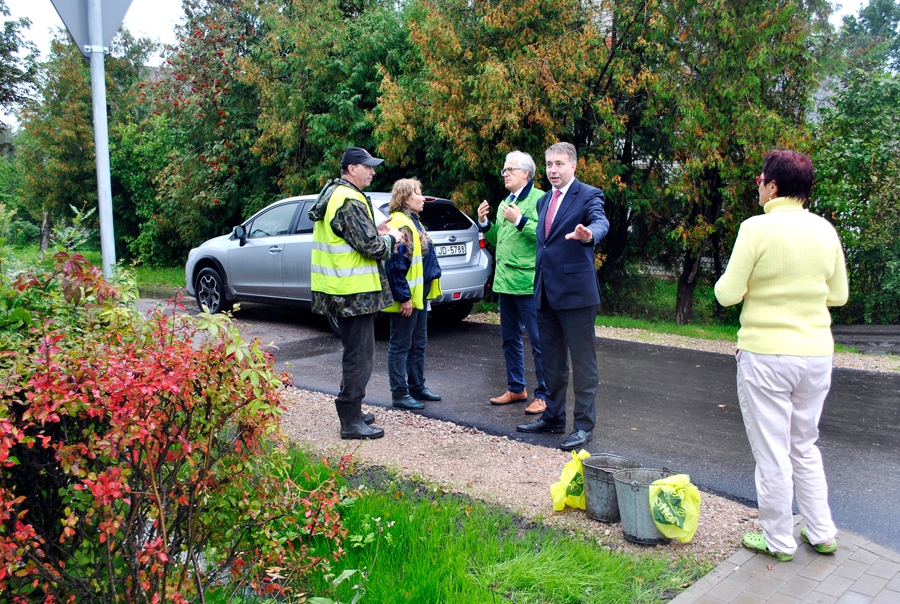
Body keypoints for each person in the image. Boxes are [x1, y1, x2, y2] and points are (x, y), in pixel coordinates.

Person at [715, 149, 848, 562]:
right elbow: (839, 296)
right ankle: (822, 531)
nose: (758, 185)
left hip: (767, 355)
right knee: (804, 445)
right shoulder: (825, 230)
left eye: (760, 180)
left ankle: (778, 540)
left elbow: (725, 294)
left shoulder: (756, 229)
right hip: (816, 356)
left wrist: (756, 288)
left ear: (772, 186)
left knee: (772, 451)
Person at [516, 142, 609, 451]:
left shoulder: (588, 194)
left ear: (573, 166)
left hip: (577, 295)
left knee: (583, 363)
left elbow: (600, 221)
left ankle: (583, 427)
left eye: (558, 164)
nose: (552, 170)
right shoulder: (543, 201)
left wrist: (590, 233)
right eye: (548, 164)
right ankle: (553, 418)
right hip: (545, 293)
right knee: (552, 362)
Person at [310, 146, 403, 440]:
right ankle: (350, 420)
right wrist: (391, 238)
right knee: (360, 357)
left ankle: (353, 409)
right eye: (368, 167)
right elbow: (373, 248)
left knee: (356, 354)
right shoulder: (348, 200)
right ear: (352, 169)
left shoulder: (336, 194)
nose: (373, 172)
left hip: (340, 291)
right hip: (353, 294)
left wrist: (373, 227)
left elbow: (349, 235)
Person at [477, 151, 549, 415]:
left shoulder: (540, 198)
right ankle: (517, 388)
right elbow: (499, 240)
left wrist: (520, 220)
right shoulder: (505, 202)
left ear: (525, 174)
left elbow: (544, 236)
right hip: (505, 282)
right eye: (504, 170)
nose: (505, 174)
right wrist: (485, 223)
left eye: (510, 170)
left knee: (539, 341)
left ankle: (545, 394)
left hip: (529, 283)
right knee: (509, 339)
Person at [384, 178, 443, 410]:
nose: (423, 197)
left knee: (418, 343)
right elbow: (396, 266)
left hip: (419, 296)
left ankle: (417, 386)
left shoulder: (413, 222)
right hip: (408, 298)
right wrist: (404, 298)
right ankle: (400, 393)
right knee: (400, 345)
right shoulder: (402, 224)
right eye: (419, 193)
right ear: (406, 198)